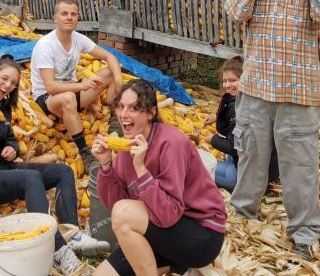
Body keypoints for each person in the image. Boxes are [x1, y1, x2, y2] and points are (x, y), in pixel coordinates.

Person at [224, 0, 320, 261]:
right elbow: (234, 12)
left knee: (300, 168)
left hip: (297, 93)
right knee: (250, 157)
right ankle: (242, 215)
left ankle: (304, 232)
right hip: (256, 90)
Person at [0, 55, 108, 275]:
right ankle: (58, 252)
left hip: (1, 169)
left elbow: (8, 137)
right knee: (30, 178)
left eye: (13, 84)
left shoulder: (2, 105)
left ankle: (73, 235)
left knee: (63, 172)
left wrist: (13, 148)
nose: (7, 87)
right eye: (4, 79)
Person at [90, 79, 227, 276]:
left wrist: (141, 168)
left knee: (124, 212)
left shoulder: (171, 143)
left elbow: (169, 214)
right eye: (120, 107)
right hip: (160, 229)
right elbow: (117, 205)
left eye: (134, 108)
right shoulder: (125, 149)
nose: (124, 115)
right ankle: (172, 265)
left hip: (200, 234)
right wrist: (105, 165)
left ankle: (170, 265)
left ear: (151, 112)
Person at [30, 0, 123, 175]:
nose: (69, 17)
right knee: (68, 97)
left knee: (111, 72)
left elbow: (109, 57)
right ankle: (84, 152)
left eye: (73, 14)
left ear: (77, 19)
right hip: (48, 99)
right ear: (55, 18)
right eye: (64, 13)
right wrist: (81, 87)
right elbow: (50, 87)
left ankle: (114, 119)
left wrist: (118, 78)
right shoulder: (45, 46)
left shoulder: (78, 39)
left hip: (73, 90)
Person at [203, 56, 278, 192]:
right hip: (268, 170)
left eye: (232, 80)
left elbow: (234, 147)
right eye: (224, 81)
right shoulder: (257, 99)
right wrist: (216, 117)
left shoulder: (239, 111)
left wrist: (212, 140)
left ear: (245, 81)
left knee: (198, 167)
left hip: (247, 179)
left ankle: (234, 184)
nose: (227, 85)